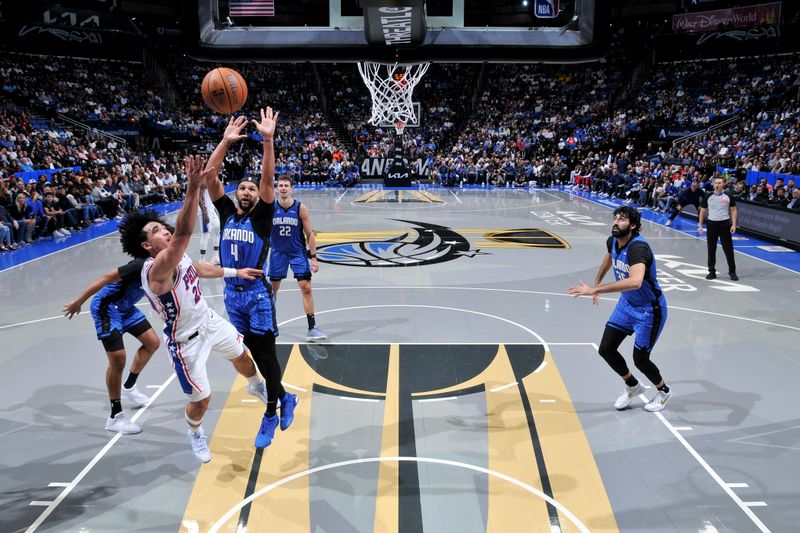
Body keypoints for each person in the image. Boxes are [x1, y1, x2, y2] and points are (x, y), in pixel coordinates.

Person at [121, 155, 269, 463]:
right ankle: (195, 431)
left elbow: (199, 268)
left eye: (162, 227)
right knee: (201, 401)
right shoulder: (157, 267)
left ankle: (257, 386)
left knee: (242, 356)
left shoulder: (177, 257)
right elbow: (185, 233)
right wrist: (192, 188)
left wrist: (233, 272)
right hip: (186, 341)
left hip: (208, 320)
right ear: (148, 246)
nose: (164, 230)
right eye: (156, 231)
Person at [204, 110, 299, 449]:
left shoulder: (262, 218)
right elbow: (209, 176)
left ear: (258, 196)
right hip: (232, 295)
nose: (246, 191)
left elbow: (269, 181)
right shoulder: (227, 213)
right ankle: (286, 398)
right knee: (255, 356)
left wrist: (269, 140)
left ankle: (271, 413)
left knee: (268, 356)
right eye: (241, 187)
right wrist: (225, 141)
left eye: (251, 189)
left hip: (257, 296)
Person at [568, 206, 672, 412]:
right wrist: (597, 281)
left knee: (641, 360)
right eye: (615, 218)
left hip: (649, 310)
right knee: (606, 348)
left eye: (622, 219)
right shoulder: (613, 241)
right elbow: (609, 256)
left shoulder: (638, 248)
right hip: (626, 305)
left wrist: (595, 289)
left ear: (632, 225)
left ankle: (664, 392)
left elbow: (635, 281)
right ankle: (633, 386)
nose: (616, 222)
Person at [63, 259, 161, 434]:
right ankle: (115, 417)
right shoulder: (139, 265)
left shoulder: (167, 263)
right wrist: (79, 302)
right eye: (162, 232)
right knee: (118, 359)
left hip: (126, 308)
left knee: (152, 343)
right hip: (106, 308)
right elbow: (105, 278)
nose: (168, 236)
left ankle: (129, 387)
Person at [269, 176, 327, 342]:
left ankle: (312, 327)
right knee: (273, 290)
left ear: (291, 188)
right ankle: (271, 324)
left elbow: (310, 234)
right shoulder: (270, 208)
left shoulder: (300, 208)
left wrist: (314, 258)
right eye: (280, 185)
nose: (283, 188)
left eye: (286, 185)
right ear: (277, 188)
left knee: (306, 287)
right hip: (277, 253)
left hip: (297, 252)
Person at [698, 177, 738, 281]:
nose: (717, 184)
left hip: (725, 224)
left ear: (724, 184)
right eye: (715, 183)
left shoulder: (729, 196)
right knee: (711, 249)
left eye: (719, 183)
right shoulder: (708, 196)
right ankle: (711, 271)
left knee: (728, 250)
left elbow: (733, 210)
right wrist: (700, 225)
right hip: (711, 224)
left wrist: (733, 224)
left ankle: (732, 271)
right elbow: (702, 211)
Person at [198, 183, 220, 264]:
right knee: (205, 235)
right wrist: (204, 213)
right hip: (205, 211)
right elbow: (198, 198)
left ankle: (215, 257)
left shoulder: (210, 178)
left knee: (218, 230)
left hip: (211, 209)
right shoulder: (203, 181)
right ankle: (202, 261)